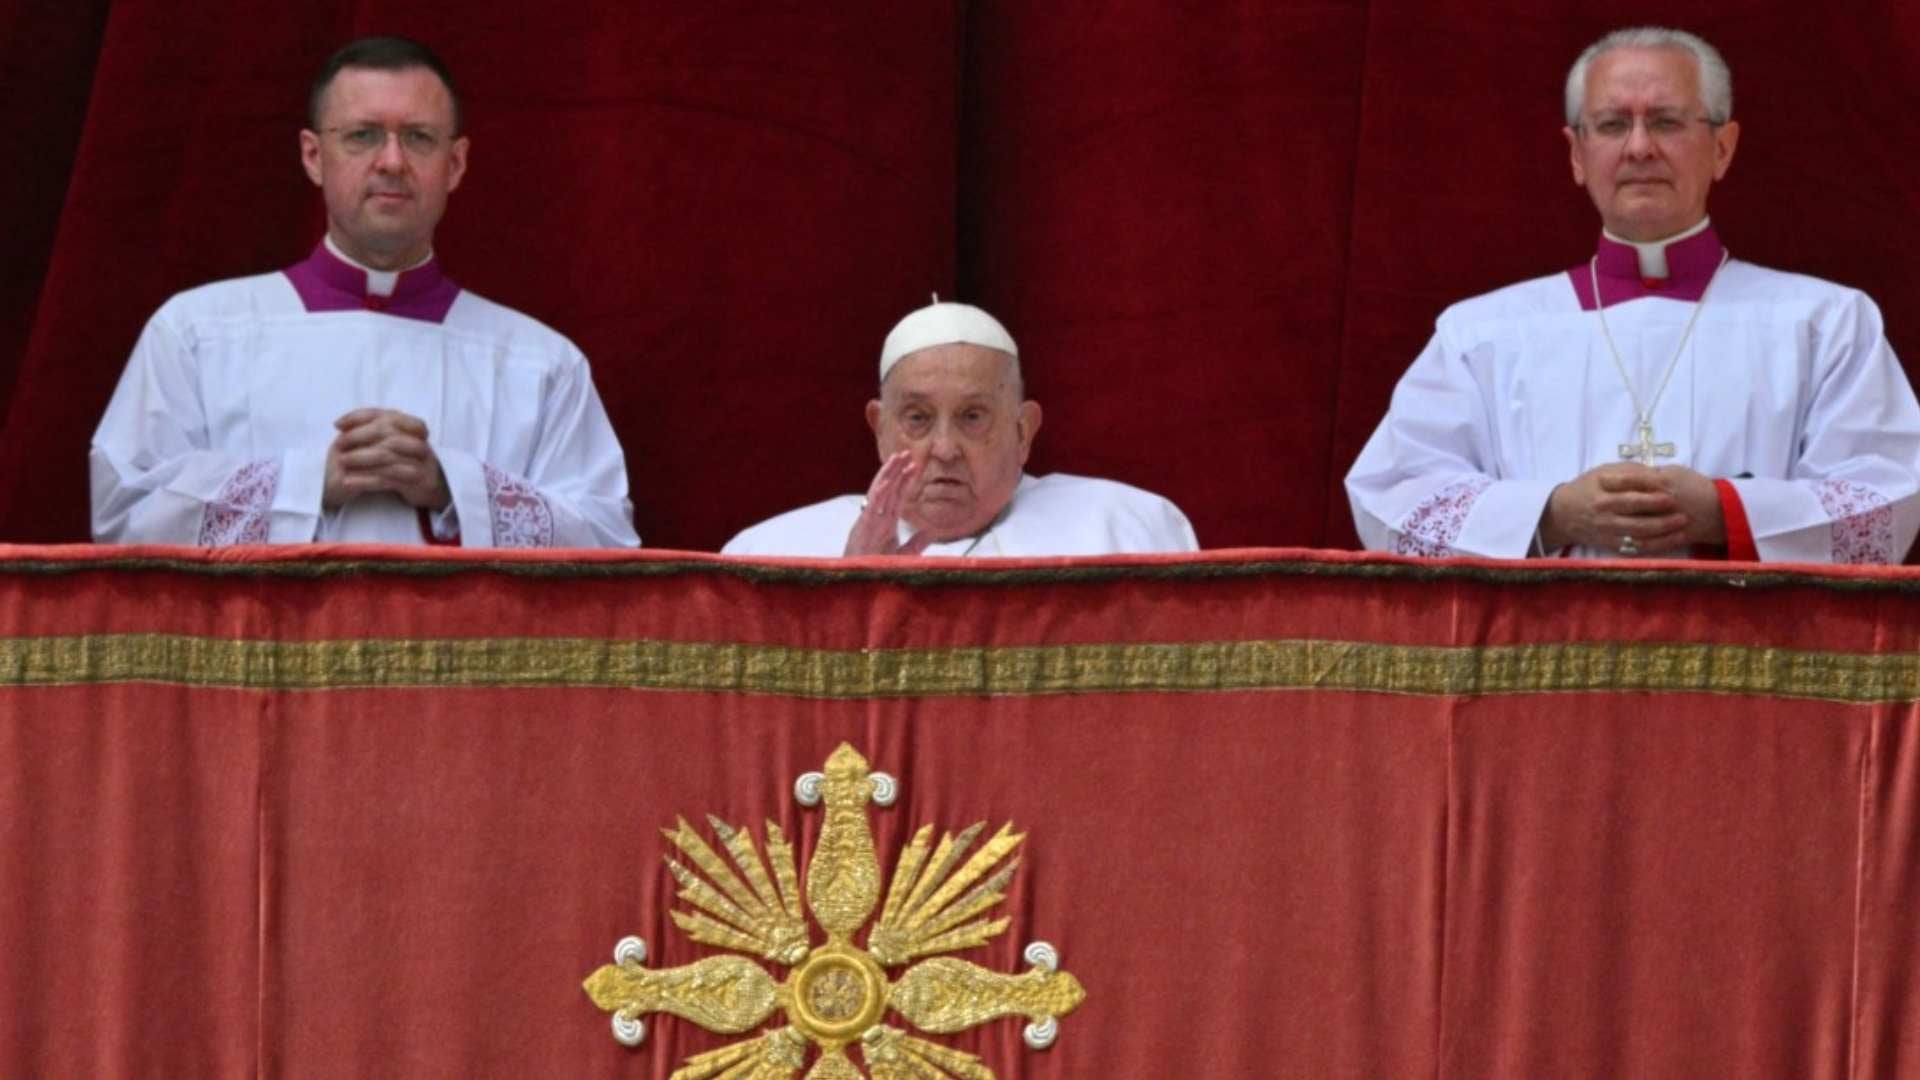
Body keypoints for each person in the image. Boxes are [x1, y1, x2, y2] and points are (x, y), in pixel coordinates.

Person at [1345, 26, 1920, 563]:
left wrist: (1727, 512)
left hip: (1746, 659)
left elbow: (1887, 496)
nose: (1640, 147)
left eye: (1667, 122)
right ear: (1576, 153)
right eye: (1614, 125)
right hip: (1545, 660)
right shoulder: (1481, 333)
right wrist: (1553, 513)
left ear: (1723, 147)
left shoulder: (1828, 323)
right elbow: (1394, 498)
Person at [90, 36, 638, 548]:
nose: (392, 161)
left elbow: (608, 542)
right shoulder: (195, 333)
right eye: (363, 135)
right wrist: (308, 483)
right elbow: (125, 519)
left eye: (419, 137)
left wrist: (452, 485)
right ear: (312, 156)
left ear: (455, 164)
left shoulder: (541, 364)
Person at [723, 300, 1197, 557]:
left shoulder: (1128, 532)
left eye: (973, 417)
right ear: (880, 429)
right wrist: (852, 600)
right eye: (917, 419)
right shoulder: (770, 556)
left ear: (1023, 431)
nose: (945, 448)